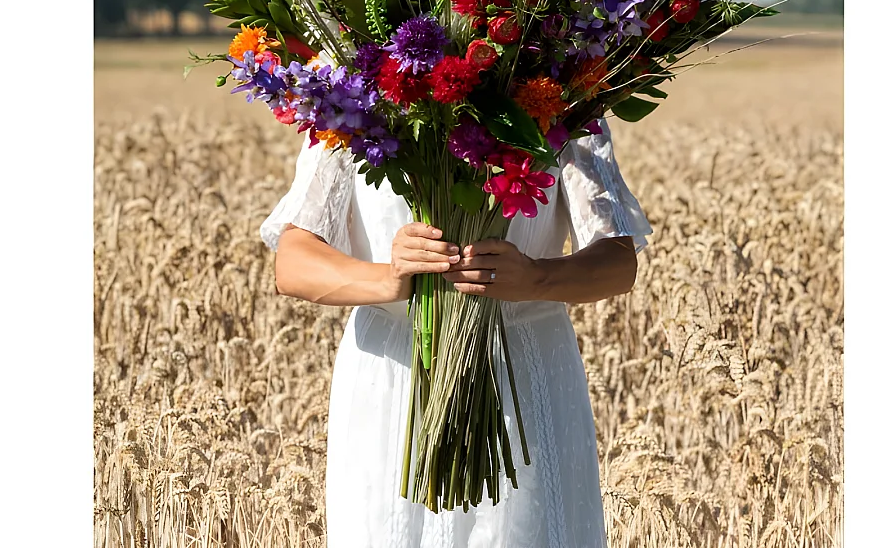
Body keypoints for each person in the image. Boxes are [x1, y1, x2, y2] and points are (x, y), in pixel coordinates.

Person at [260, 119, 651, 548]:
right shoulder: (348, 89)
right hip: (391, 380)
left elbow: (617, 259)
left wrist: (536, 277)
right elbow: (293, 262)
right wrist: (389, 278)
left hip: (523, 380)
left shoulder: (563, 82)